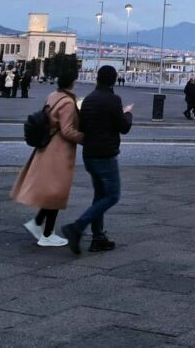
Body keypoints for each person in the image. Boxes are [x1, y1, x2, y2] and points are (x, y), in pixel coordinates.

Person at [61, 66, 133, 255]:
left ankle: (98, 237)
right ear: (114, 80)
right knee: (112, 195)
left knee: (100, 196)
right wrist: (127, 113)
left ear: (97, 79)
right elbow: (123, 127)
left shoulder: (88, 100)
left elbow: (83, 126)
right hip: (105, 155)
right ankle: (77, 227)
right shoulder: (113, 100)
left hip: (90, 154)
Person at [11, 65, 84, 247]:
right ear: (72, 82)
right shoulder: (67, 102)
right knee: (56, 191)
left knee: (52, 190)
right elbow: (67, 130)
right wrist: (86, 138)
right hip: (59, 150)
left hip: (47, 146)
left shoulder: (53, 96)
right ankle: (47, 234)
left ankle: (37, 224)